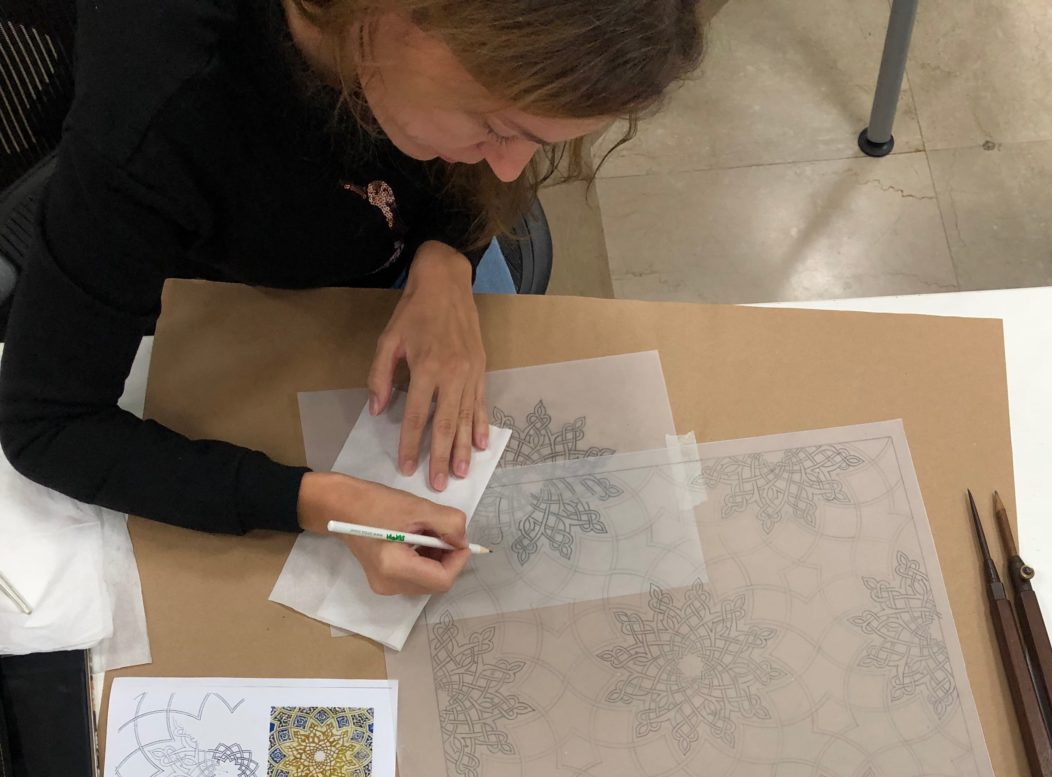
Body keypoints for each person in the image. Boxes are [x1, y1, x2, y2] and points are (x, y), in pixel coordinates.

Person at [0, 0, 704, 596]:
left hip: (399, 251)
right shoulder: (160, 110)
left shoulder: (431, 72)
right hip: (238, 289)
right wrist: (324, 502)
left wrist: (448, 259)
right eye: (495, 126)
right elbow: (46, 424)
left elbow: (483, 176)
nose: (511, 168)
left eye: (540, 142)